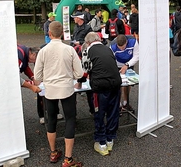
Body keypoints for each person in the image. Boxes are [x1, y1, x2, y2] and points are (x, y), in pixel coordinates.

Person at [34, 21, 84, 167]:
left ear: (49, 34)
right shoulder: (69, 50)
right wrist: (71, 76)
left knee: (52, 120)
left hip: (50, 90)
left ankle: (53, 152)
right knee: (70, 119)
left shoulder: (43, 51)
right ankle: (68, 159)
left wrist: (48, 78)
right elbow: (79, 73)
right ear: (62, 34)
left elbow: (37, 75)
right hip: (67, 89)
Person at [81, 32, 122, 156]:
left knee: (99, 113)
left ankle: (101, 143)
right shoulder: (108, 48)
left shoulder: (87, 50)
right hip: (116, 83)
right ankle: (110, 139)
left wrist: (79, 82)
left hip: (100, 86)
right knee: (113, 112)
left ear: (88, 42)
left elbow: (85, 70)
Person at [110, 34, 139, 112]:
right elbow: (111, 59)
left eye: (123, 47)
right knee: (118, 84)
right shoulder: (112, 46)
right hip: (117, 64)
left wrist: (127, 65)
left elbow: (136, 55)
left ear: (126, 42)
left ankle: (126, 102)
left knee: (127, 83)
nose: (122, 49)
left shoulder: (133, 41)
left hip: (128, 63)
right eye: (120, 48)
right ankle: (118, 104)